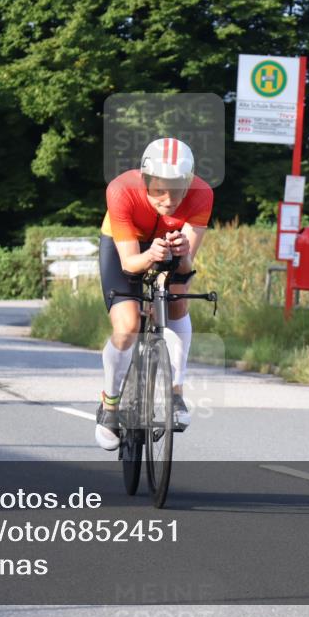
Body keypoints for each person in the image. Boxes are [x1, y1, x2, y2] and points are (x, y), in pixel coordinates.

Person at [95, 137, 213, 451]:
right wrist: (150, 257)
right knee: (128, 324)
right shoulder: (121, 190)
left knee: (177, 300)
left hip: (169, 245)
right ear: (146, 180)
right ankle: (109, 404)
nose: (168, 197)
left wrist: (183, 252)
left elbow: (185, 270)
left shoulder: (203, 195)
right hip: (126, 247)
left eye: (178, 187)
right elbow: (130, 265)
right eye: (159, 188)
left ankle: (175, 393)